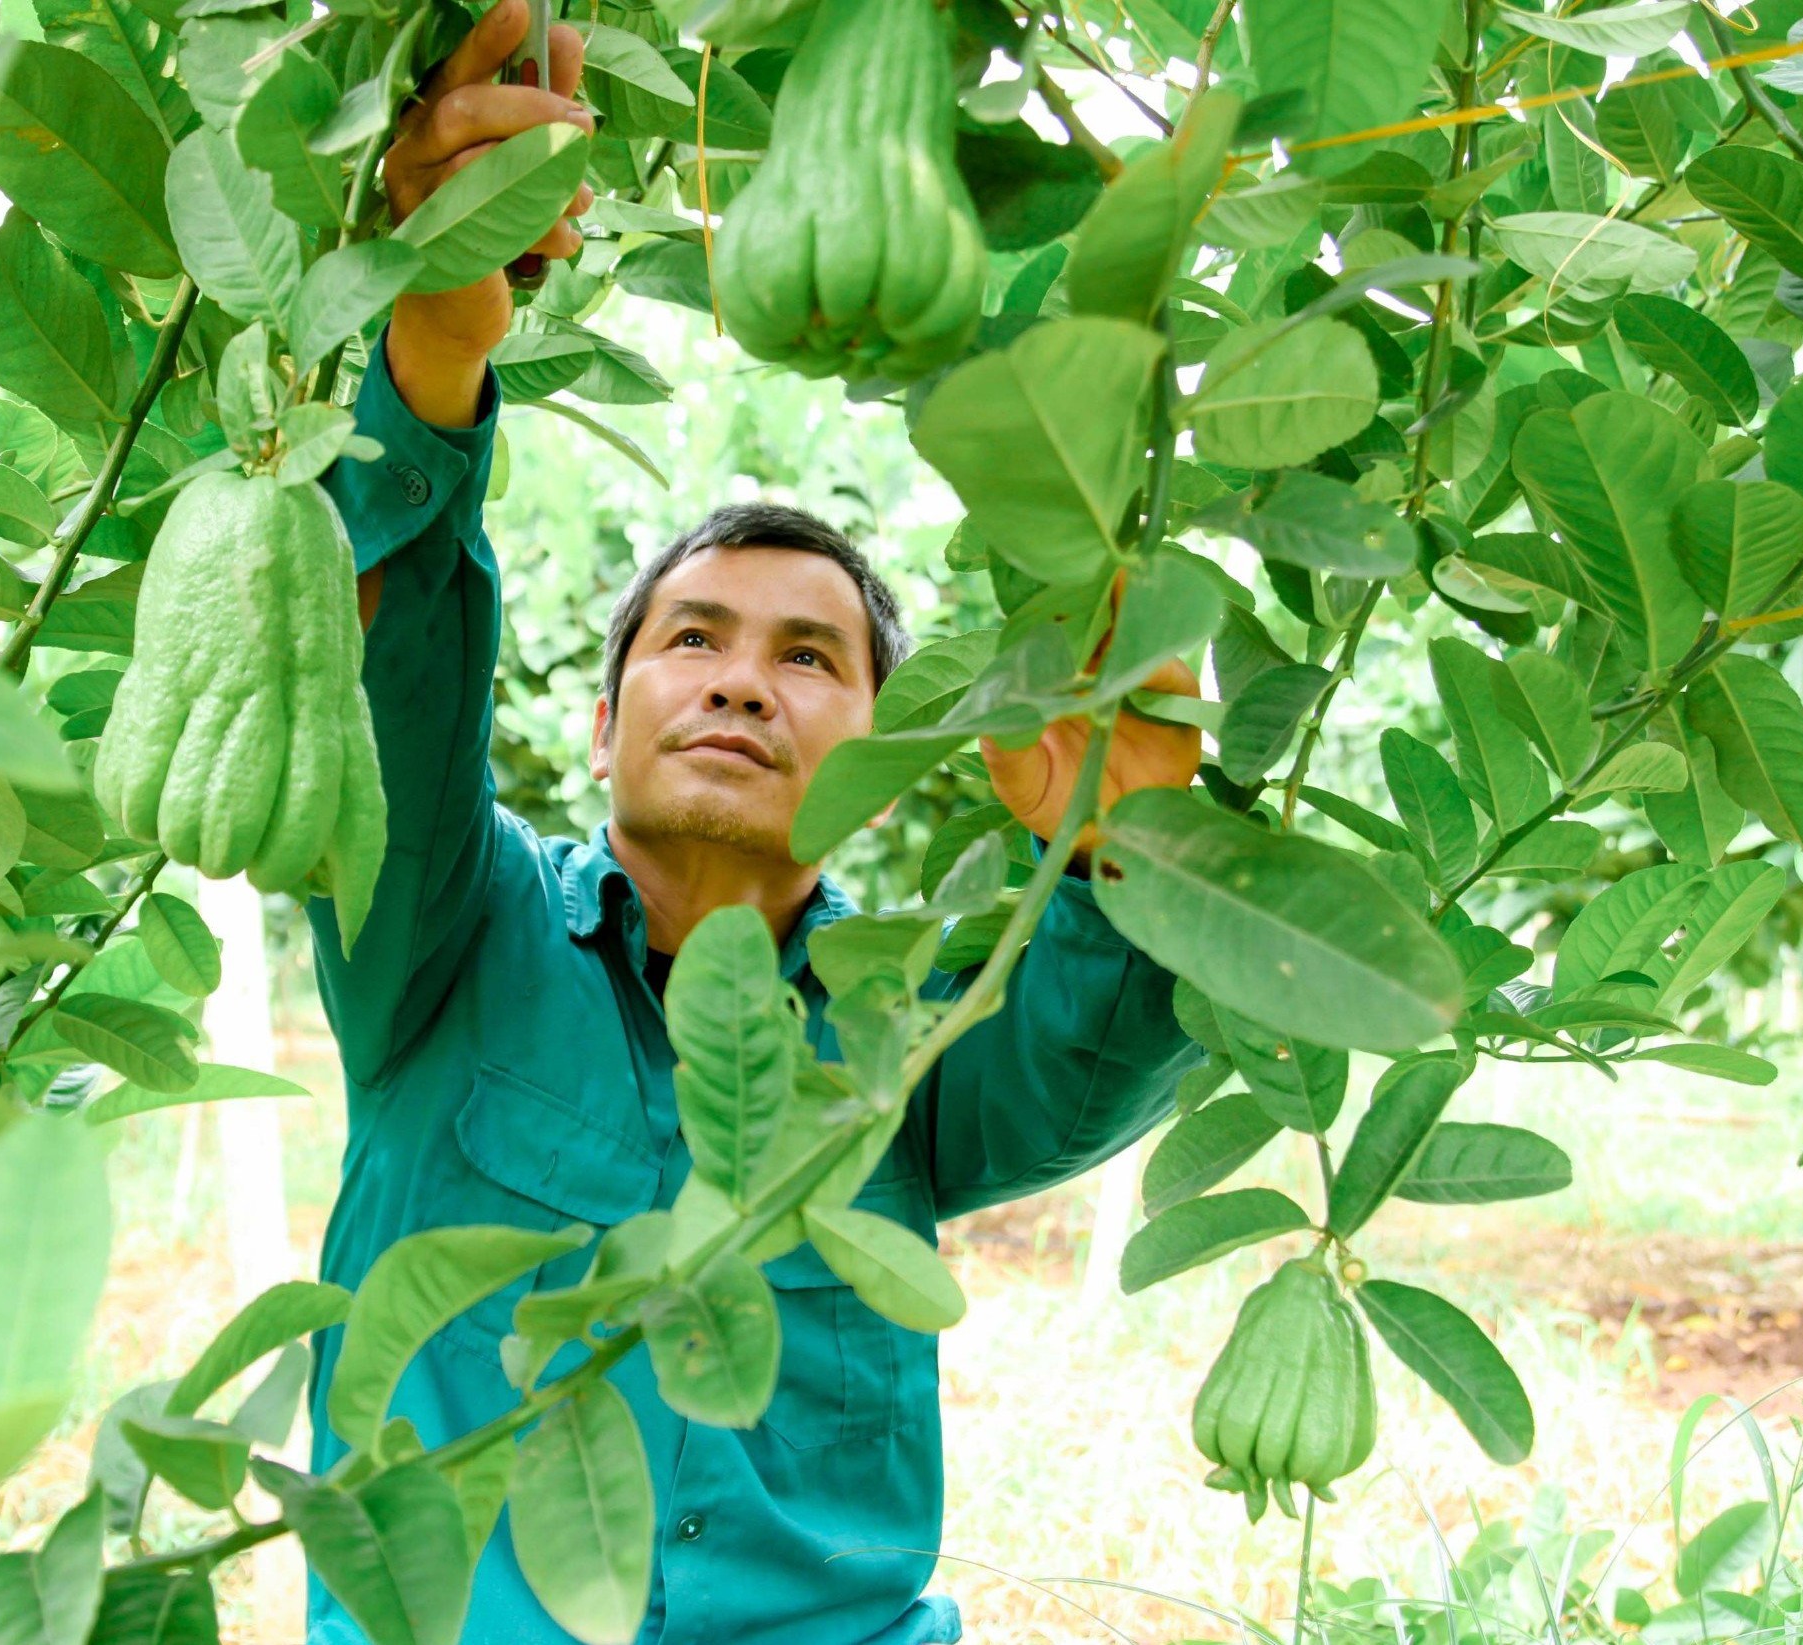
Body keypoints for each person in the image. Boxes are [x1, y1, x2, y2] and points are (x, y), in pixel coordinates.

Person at [303, 5, 1205, 1639]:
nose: (741, 684)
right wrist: (433, 344)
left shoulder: (909, 1035)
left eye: (811, 658)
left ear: (881, 741)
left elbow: (1092, 1050)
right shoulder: (442, 944)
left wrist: (1130, 856)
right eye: (693, 639)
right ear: (601, 719)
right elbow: (396, 662)